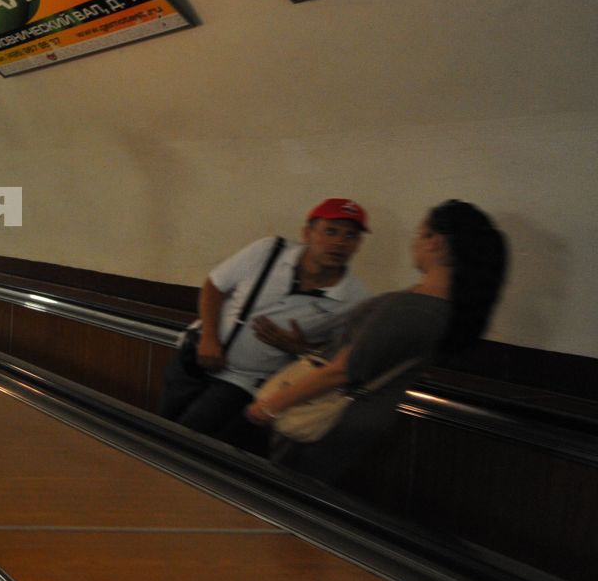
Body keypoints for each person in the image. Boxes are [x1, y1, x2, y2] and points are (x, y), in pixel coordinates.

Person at [247, 200, 509, 485]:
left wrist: (271, 405)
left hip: (327, 417)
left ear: (437, 243)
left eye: (420, 235)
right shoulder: (451, 311)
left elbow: (341, 370)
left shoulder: (410, 307)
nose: (415, 245)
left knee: (289, 491)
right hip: (367, 416)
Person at [158, 199, 372, 452]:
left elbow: (332, 356)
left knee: (185, 441)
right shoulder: (269, 251)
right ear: (308, 233)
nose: (339, 243)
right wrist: (210, 339)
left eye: (350, 236)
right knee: (163, 427)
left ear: (357, 245)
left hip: (245, 381)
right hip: (196, 357)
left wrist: (298, 347)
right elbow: (214, 285)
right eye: (331, 231)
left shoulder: (353, 298)